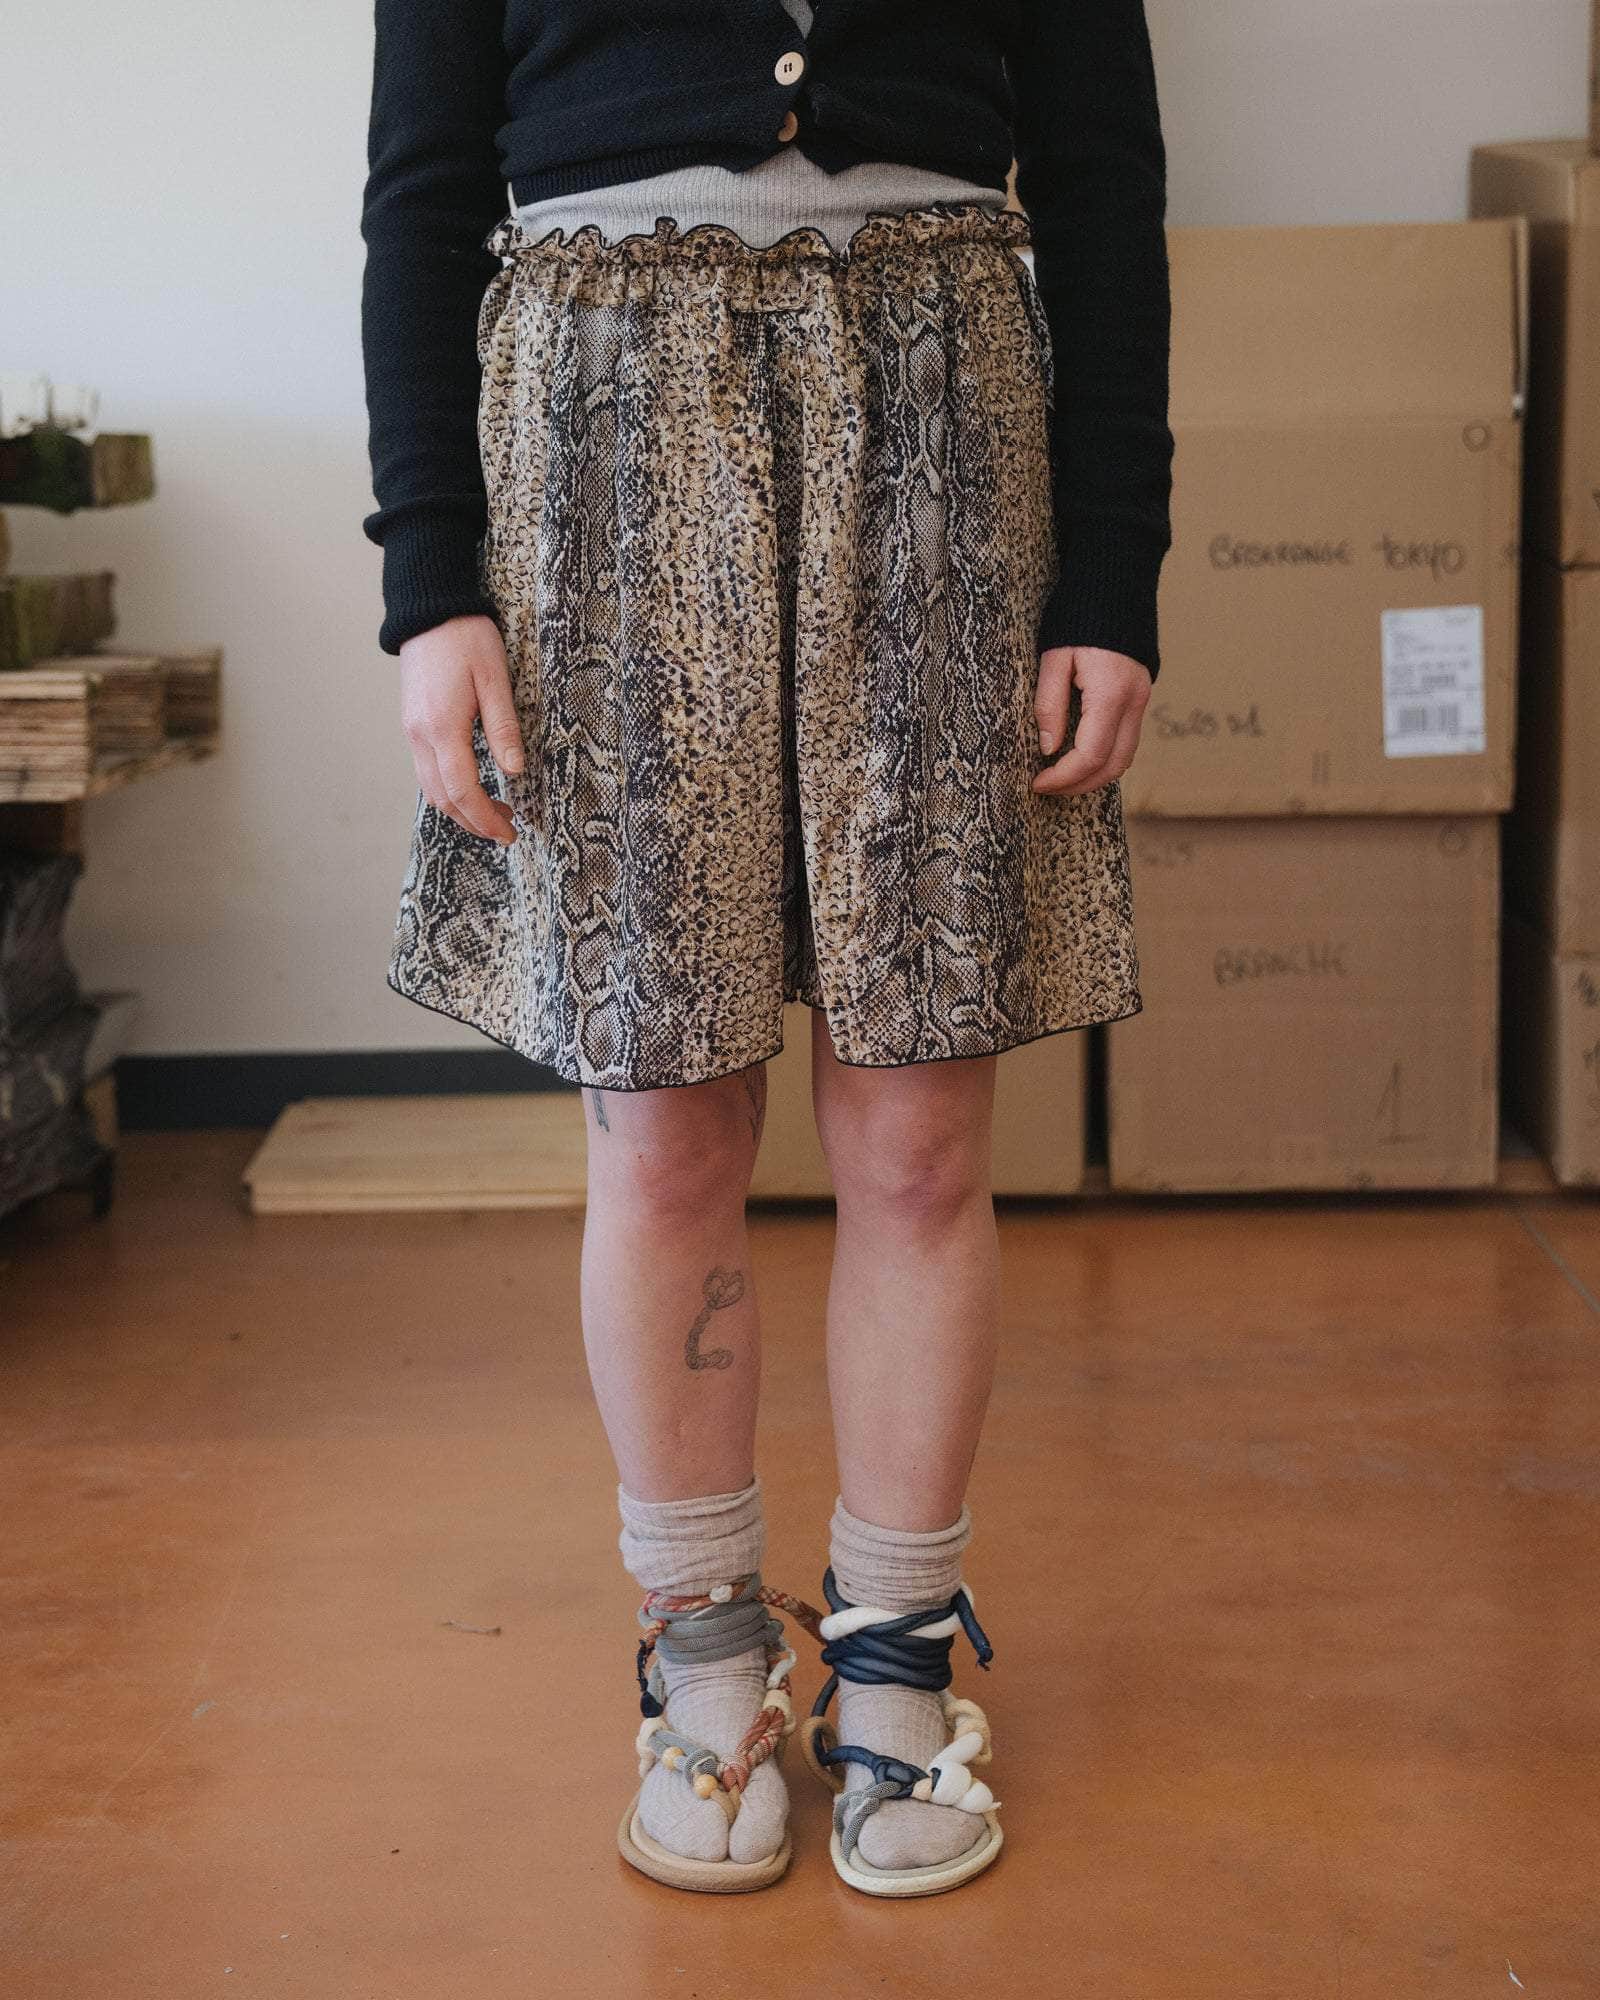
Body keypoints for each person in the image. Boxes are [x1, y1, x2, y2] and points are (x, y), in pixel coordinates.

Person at [360, 0, 1172, 1899]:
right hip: (602, 433)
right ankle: (704, 1654)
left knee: (919, 1134)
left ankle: (894, 1655)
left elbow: (1107, 186)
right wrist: (431, 579)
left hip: (945, 414)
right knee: (665, 1127)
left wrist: (1112, 570)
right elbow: (421, 197)